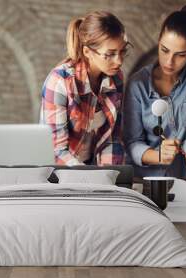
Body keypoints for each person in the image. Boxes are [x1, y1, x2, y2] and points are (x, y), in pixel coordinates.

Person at [123, 5, 186, 190]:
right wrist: (158, 156)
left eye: (180, 55)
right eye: (164, 50)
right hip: (142, 183)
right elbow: (132, 142)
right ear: (158, 41)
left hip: (182, 182)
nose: (169, 62)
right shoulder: (137, 83)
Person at [40, 11, 131, 166]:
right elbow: (57, 150)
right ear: (87, 51)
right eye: (110, 54)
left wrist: (109, 177)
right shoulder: (59, 81)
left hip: (92, 169)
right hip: (59, 172)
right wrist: (88, 178)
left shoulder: (116, 79)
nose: (119, 61)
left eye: (123, 51)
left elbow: (112, 139)